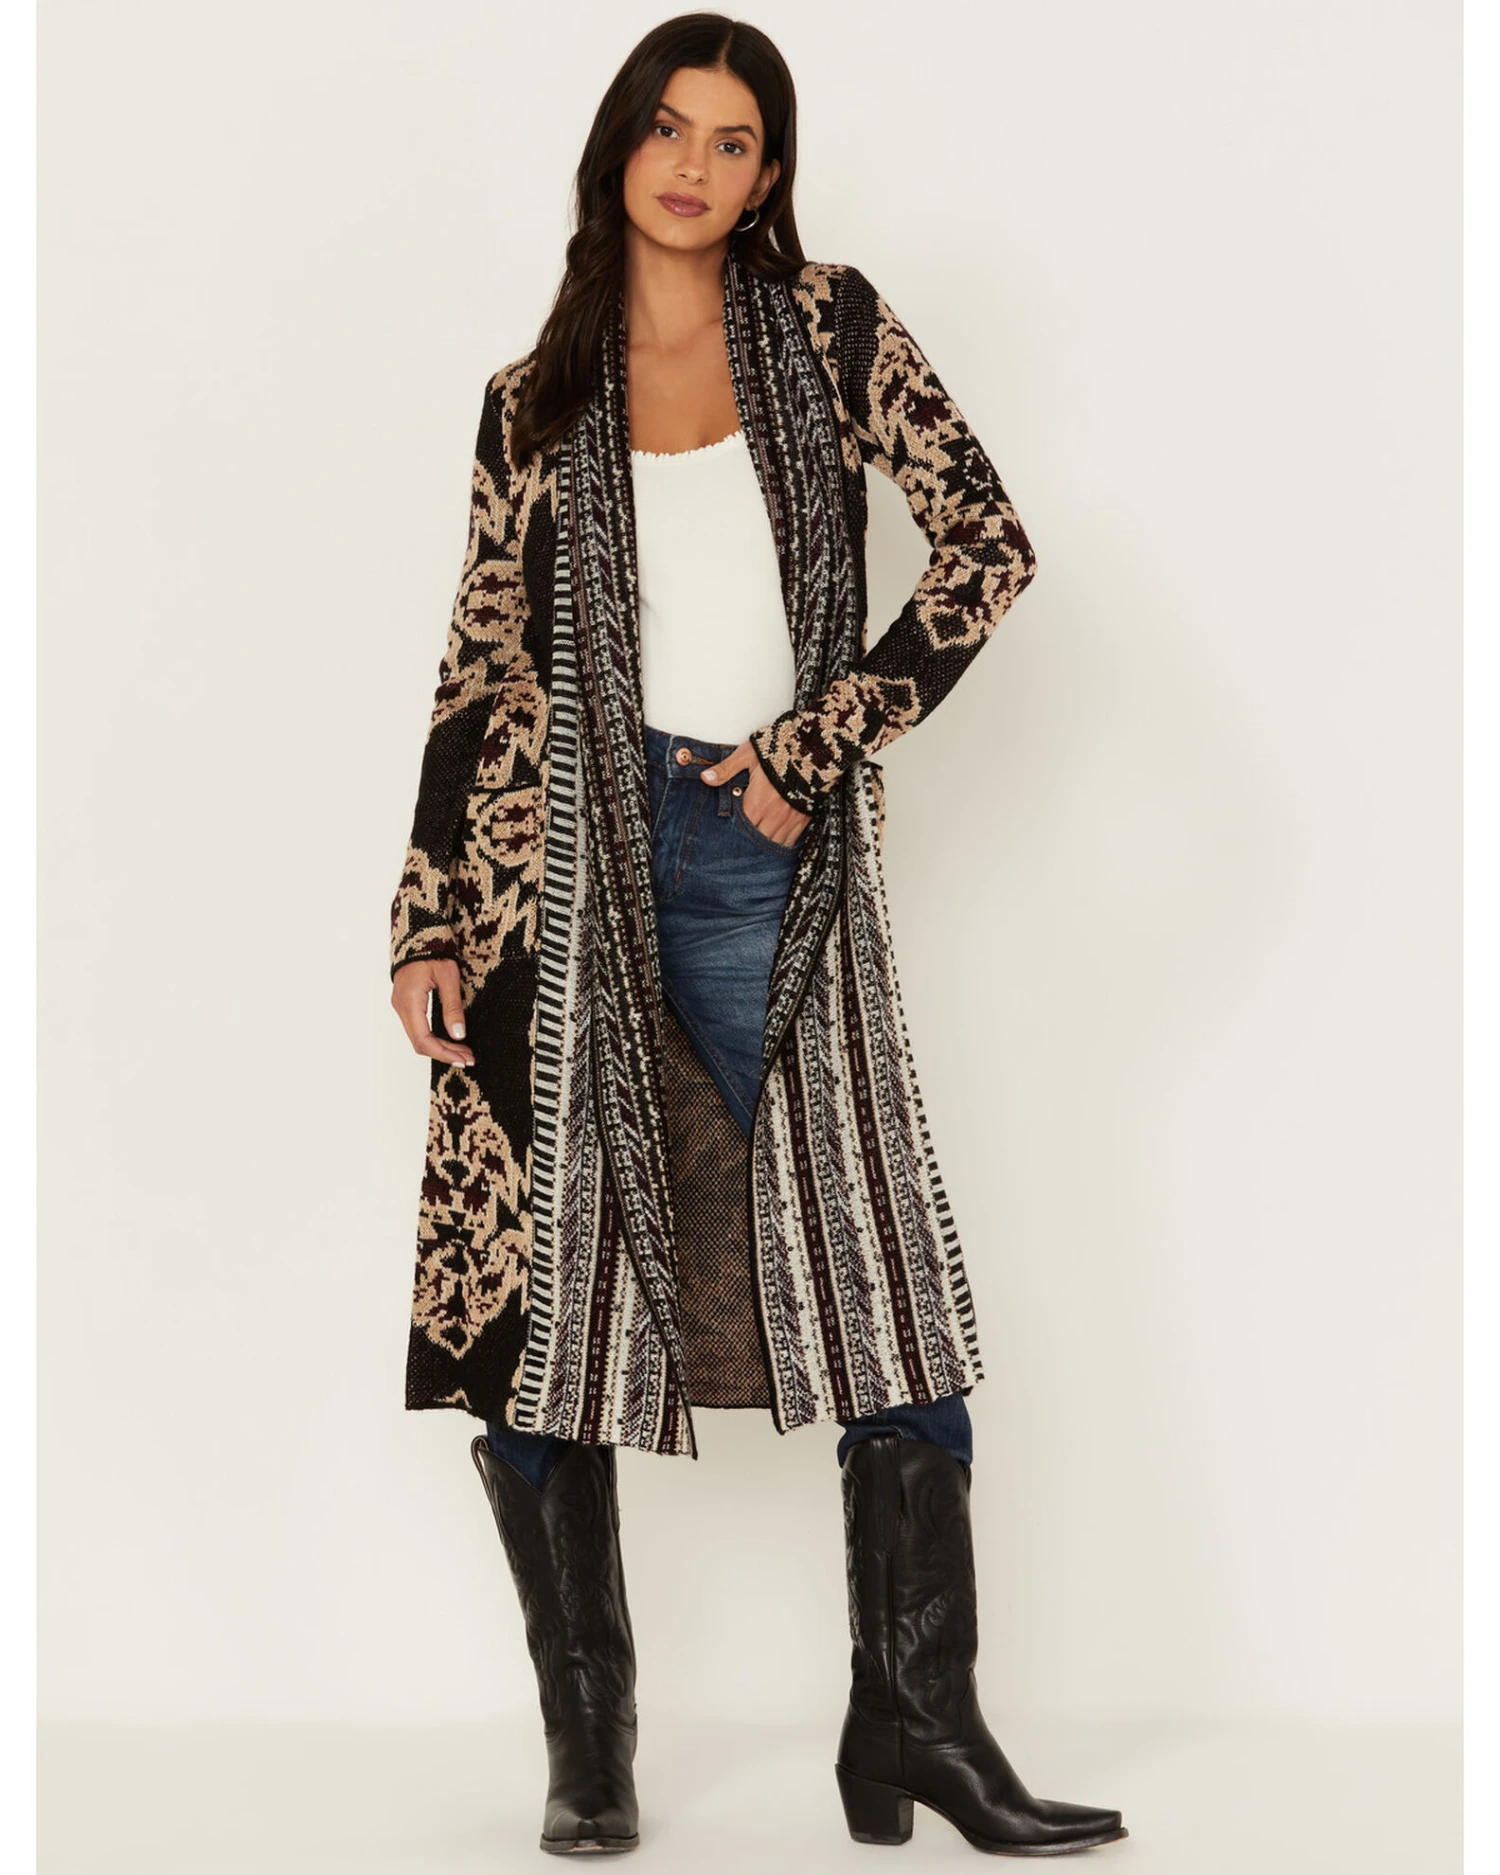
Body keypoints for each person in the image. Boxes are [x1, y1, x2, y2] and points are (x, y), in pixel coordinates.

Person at [388, 13, 1127, 1861]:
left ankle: (917, 1721)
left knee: (877, 1276)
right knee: (547, 1303)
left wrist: (821, 739)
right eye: (668, 128)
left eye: (733, 142)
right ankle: (591, 1744)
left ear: (769, 174)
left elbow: (987, 547)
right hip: (554, 864)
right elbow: (482, 661)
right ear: (619, 145)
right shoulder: (532, 393)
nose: (694, 167)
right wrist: (427, 911)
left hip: (756, 844)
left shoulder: (830, 329)